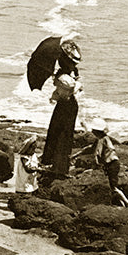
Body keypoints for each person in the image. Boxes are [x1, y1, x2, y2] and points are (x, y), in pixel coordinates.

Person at [40, 39, 82, 178]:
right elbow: (71, 88)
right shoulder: (63, 76)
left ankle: (57, 165)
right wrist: (77, 82)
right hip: (67, 105)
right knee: (62, 135)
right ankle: (58, 167)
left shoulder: (64, 74)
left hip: (66, 105)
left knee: (60, 134)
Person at [89, 118, 125, 204]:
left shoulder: (103, 139)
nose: (92, 131)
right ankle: (122, 204)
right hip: (112, 164)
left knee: (114, 188)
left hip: (112, 164)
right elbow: (91, 149)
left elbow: (100, 153)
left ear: (97, 131)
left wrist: (97, 162)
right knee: (113, 187)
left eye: (93, 130)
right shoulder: (103, 139)